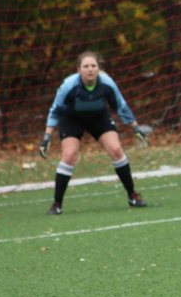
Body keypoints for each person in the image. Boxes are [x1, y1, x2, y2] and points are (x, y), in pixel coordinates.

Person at [39, 50, 149, 215]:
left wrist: (135, 127)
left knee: (116, 150)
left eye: (93, 66)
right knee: (69, 155)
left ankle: (132, 195)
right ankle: (57, 203)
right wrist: (46, 137)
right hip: (72, 119)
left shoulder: (107, 83)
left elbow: (121, 105)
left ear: (98, 68)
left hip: (99, 117)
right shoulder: (69, 85)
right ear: (79, 69)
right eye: (86, 66)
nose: (90, 69)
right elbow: (55, 110)